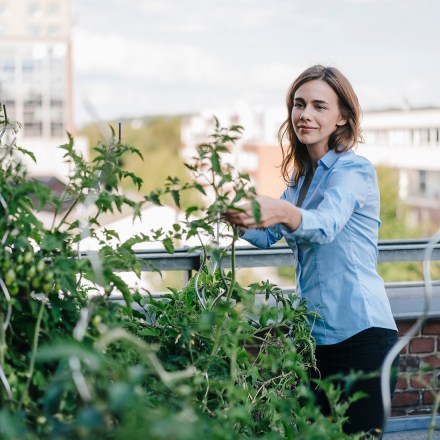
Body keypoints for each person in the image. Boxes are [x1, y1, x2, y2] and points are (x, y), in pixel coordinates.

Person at [224, 65, 399, 437]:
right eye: (299, 104)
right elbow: (267, 236)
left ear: (342, 117)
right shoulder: (300, 180)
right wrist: (232, 215)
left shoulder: (354, 170)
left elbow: (325, 225)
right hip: (314, 341)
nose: (305, 114)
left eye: (320, 106)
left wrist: (282, 210)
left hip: (362, 336)